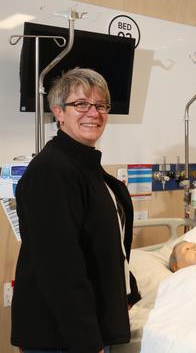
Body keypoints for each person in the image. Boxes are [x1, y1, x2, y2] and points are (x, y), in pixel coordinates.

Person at [12, 68, 141, 353]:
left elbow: (108, 243)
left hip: (85, 326)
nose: (93, 113)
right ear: (58, 111)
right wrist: (86, 341)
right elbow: (60, 267)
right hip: (61, 335)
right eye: (81, 104)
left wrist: (126, 290)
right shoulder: (52, 171)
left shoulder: (86, 166)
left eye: (101, 105)